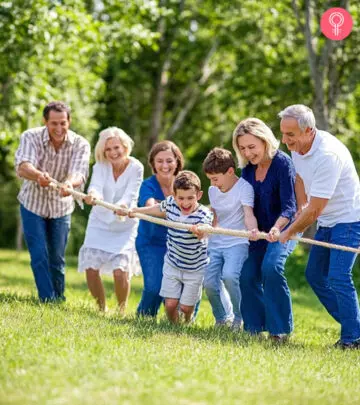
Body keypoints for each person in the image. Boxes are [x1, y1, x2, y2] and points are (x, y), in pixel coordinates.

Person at [278, 104, 360, 349]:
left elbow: (316, 210)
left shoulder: (327, 155)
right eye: (283, 133)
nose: (284, 141)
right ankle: (355, 327)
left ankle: (352, 338)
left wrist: (290, 231)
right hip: (328, 220)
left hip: (350, 219)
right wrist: (300, 205)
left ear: (309, 131)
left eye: (290, 135)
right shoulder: (298, 147)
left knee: (338, 276)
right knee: (314, 275)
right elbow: (300, 177)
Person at [15, 101, 90, 302]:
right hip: (33, 203)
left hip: (61, 207)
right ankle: (47, 299)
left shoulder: (80, 144)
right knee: (39, 254)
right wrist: (38, 175)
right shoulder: (30, 137)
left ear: (69, 121)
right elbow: (23, 166)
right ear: (45, 122)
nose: (58, 128)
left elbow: (79, 173)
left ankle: (59, 298)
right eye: (53, 123)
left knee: (57, 258)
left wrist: (69, 183)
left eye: (63, 123)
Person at [232, 117, 297, 342]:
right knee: (247, 274)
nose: (248, 153)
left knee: (271, 268)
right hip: (257, 233)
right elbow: (245, 204)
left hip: (285, 229)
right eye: (242, 148)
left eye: (252, 146)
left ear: (264, 141)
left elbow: (290, 206)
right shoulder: (247, 170)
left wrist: (278, 228)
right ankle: (254, 327)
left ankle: (280, 331)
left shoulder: (283, 163)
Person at [121, 171, 213, 323]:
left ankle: (187, 321)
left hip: (195, 268)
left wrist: (199, 230)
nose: (185, 203)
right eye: (181, 198)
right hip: (173, 263)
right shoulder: (170, 204)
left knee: (186, 308)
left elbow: (205, 233)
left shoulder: (204, 214)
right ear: (174, 195)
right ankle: (174, 327)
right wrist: (135, 211)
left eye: (190, 198)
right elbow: (156, 209)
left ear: (199, 195)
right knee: (170, 304)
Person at [78, 127, 143, 314]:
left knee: (120, 271)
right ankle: (101, 308)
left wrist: (122, 206)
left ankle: (121, 311)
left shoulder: (136, 167)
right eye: (108, 149)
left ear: (125, 146)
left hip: (124, 225)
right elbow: (96, 186)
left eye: (117, 147)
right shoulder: (99, 166)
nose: (113, 153)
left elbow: (132, 193)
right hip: (99, 221)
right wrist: (92, 194)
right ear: (103, 151)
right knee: (90, 269)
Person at [202, 148, 257, 330]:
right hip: (216, 242)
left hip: (237, 241)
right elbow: (216, 217)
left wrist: (253, 230)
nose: (213, 183)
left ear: (230, 172)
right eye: (211, 179)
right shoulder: (212, 190)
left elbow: (248, 215)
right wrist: (206, 227)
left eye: (215, 178)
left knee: (230, 276)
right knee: (209, 282)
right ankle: (222, 318)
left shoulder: (244, 188)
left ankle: (240, 318)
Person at [135, 141, 184, 317]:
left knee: (186, 287)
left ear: (177, 161)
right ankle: (144, 316)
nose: (165, 165)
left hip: (179, 244)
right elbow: (150, 206)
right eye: (160, 161)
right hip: (150, 243)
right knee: (155, 287)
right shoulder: (147, 185)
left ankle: (184, 321)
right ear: (153, 164)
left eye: (169, 160)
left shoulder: (184, 183)